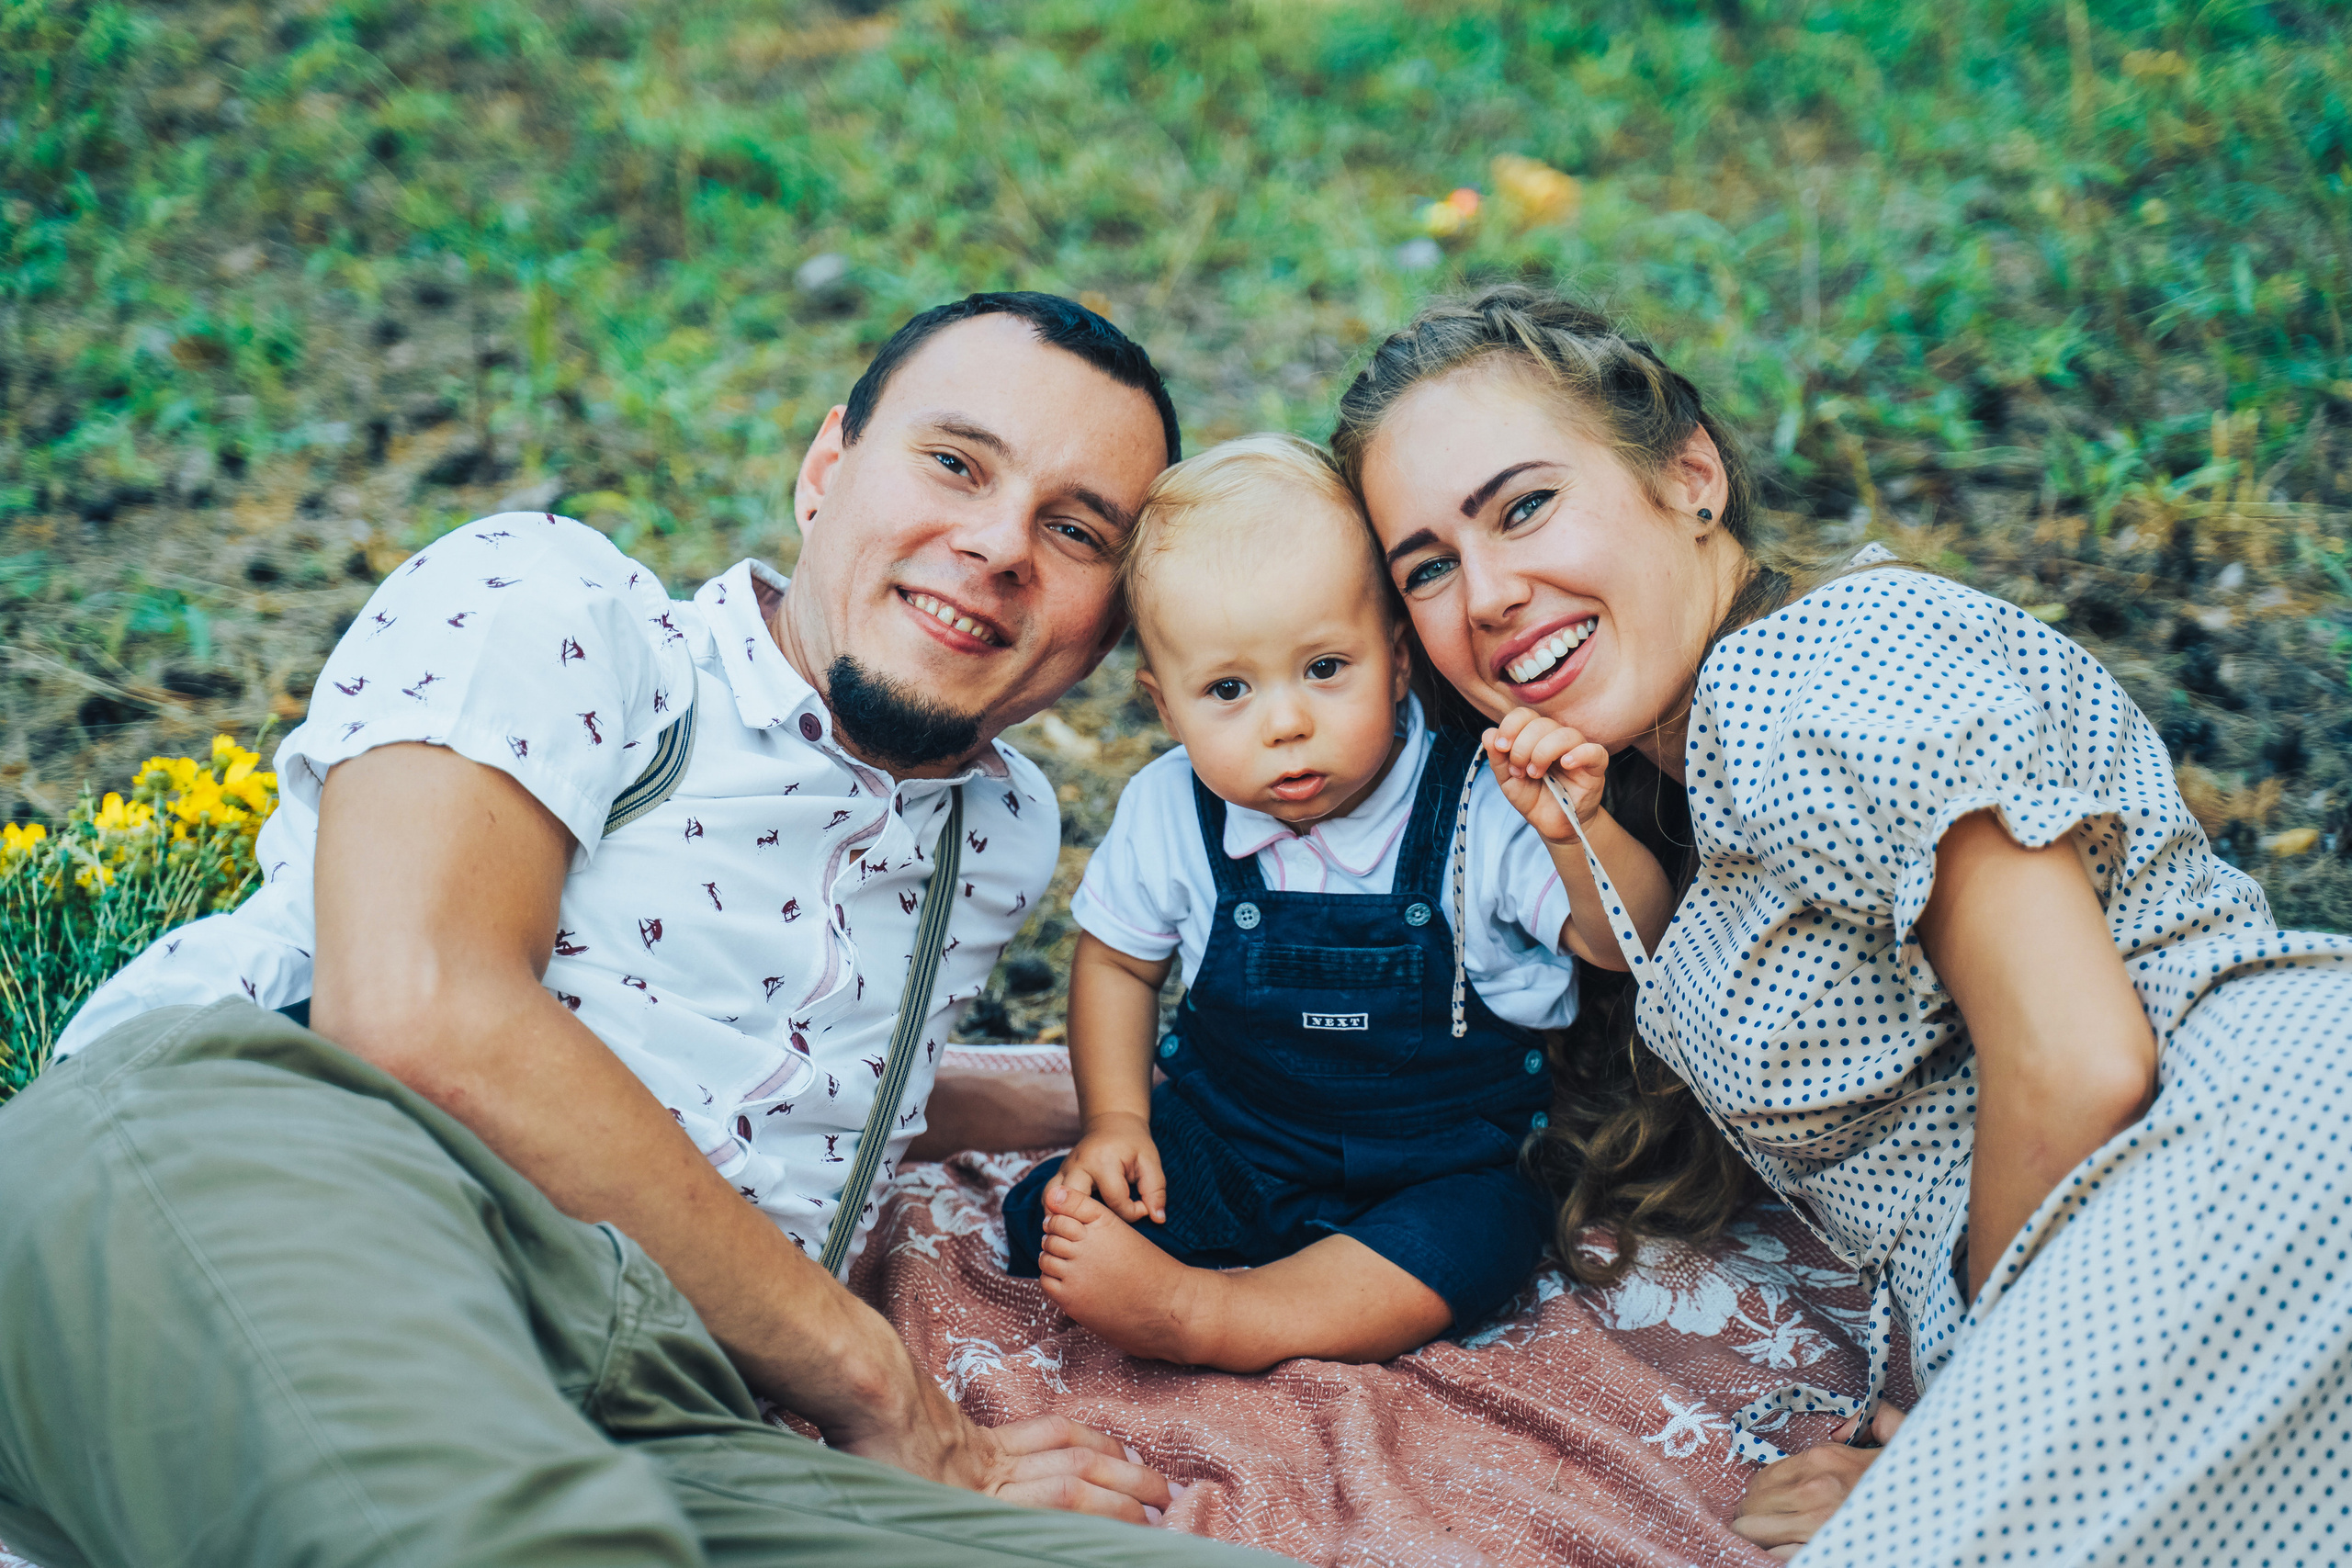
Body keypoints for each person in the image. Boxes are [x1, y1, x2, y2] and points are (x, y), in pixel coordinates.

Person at [0, 294, 1277, 1568]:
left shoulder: (996, 832)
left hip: (668, 1404)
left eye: (1075, 530)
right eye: (954, 462)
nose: (1001, 543)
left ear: (1110, 629)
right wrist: (885, 1390)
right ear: (827, 471)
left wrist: (1123, 1095)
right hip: (293, 1168)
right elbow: (421, 1010)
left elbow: (777, 1074)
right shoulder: (564, 605)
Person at [1334, 285, 2352, 1564]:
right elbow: (1636, 952)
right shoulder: (1708, 761)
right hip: (2188, 1188)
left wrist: (1943, 1420)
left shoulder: (1804, 672)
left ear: (1691, 474)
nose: (1483, 593)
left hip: (2246, 1141)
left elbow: (2076, 1056)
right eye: (1427, 564)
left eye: (1524, 505)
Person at [999, 434, 1667, 1372]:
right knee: (1051, 1219)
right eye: (1227, 689)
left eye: (1323, 668)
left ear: (1396, 663)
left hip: (1440, 1160)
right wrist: (1117, 1122)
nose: (1285, 723)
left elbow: (1629, 945)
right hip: (1239, 1135)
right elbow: (1116, 960)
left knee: (1478, 1237)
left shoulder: (1477, 798)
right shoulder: (1168, 810)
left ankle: (1224, 1315)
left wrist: (1575, 832)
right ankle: (1243, 1272)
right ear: (1164, 706)